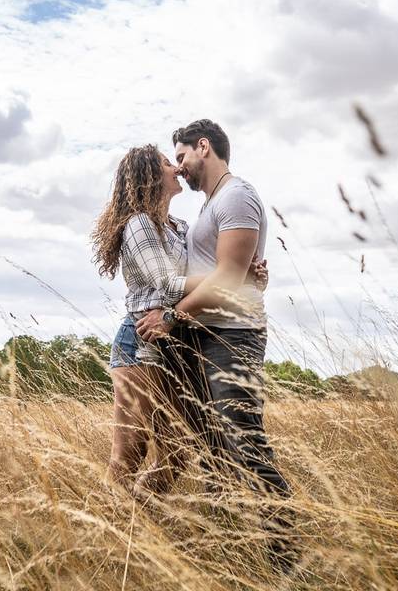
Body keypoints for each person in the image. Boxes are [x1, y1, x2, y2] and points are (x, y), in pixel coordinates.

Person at [90, 144, 267, 494]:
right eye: (168, 163)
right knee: (130, 450)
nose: (177, 169)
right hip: (140, 339)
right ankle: (107, 529)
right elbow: (168, 286)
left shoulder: (179, 226)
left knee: (177, 453)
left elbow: (208, 275)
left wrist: (247, 274)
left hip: (172, 339)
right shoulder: (139, 225)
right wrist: (237, 275)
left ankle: (142, 524)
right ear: (150, 176)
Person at [135, 119, 291, 499]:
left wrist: (171, 316)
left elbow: (226, 279)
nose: (179, 166)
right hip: (202, 336)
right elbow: (220, 271)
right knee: (213, 451)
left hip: (232, 335)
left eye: (181, 156)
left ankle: (285, 554)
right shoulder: (209, 205)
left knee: (244, 444)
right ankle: (229, 545)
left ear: (203, 146)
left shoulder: (236, 196)